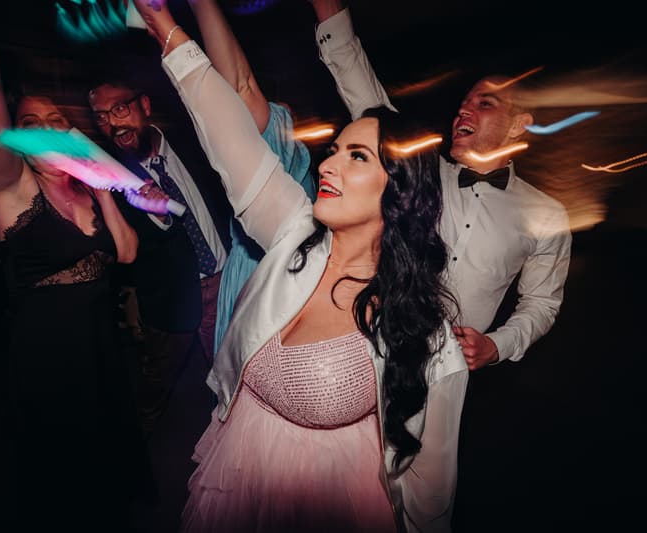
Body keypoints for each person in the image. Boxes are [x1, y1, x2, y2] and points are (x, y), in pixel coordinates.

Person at [130, 2, 469, 532]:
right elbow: (230, 136)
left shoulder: (424, 334)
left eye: (357, 157)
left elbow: (430, 488)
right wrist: (165, 28)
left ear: (398, 191)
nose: (329, 163)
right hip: (240, 471)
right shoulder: (293, 235)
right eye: (334, 150)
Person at [0, 0, 149, 527]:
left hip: (99, 346)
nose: (43, 128)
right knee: (64, 474)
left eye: (54, 121)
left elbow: (126, 252)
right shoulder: (13, 188)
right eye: (29, 122)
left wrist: (104, 190)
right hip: (47, 356)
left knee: (108, 464)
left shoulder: (88, 192)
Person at [308, 0, 572, 370]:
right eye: (464, 103)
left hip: (450, 372)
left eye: (485, 104)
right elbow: (369, 100)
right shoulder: (423, 171)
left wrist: (496, 345)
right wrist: (330, 16)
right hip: (370, 343)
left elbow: (542, 303)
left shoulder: (547, 215)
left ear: (518, 125)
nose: (464, 110)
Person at [186, 0, 318, 355]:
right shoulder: (273, 148)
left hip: (267, 274)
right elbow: (239, 84)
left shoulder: (294, 161)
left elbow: (244, 86)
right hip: (256, 275)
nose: (274, 117)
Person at [87, 77, 228, 368]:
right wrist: (160, 214)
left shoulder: (193, 141)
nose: (112, 124)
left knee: (234, 374)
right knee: (158, 395)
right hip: (172, 306)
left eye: (120, 109)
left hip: (230, 280)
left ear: (145, 105)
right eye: (101, 117)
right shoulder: (111, 180)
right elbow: (125, 252)